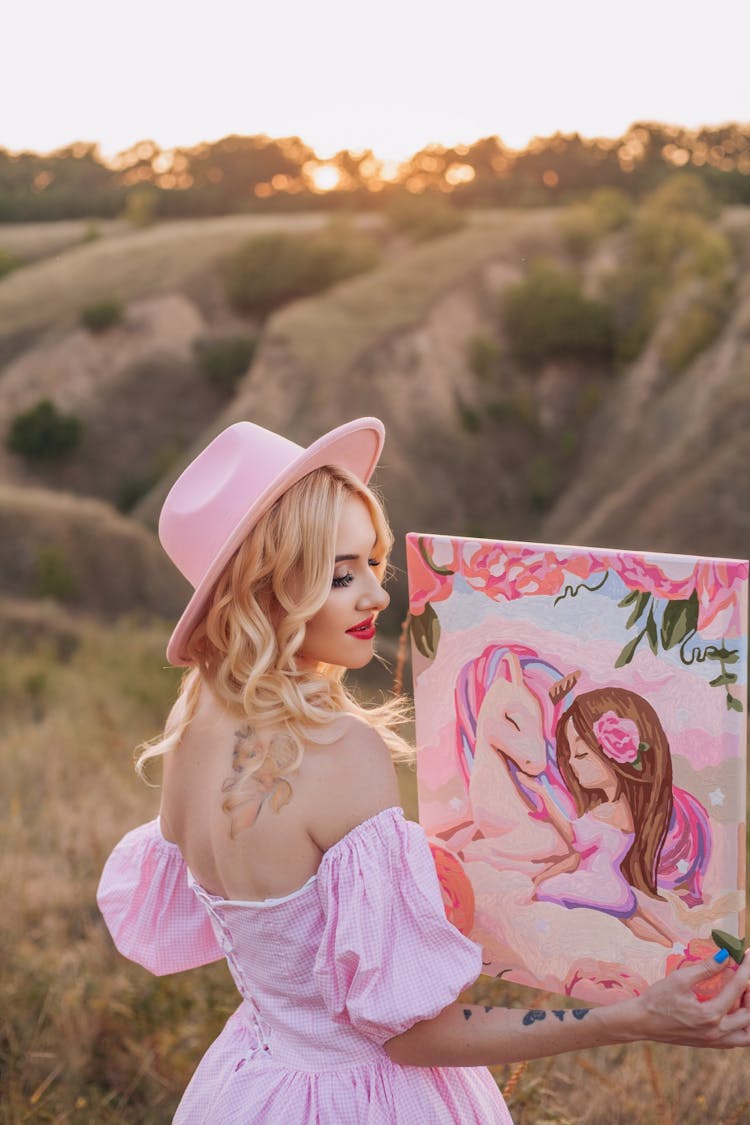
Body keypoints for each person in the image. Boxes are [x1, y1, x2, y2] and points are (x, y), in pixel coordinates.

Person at [97, 417, 750, 1125]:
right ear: (265, 587)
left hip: (254, 1087)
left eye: (375, 564)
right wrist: (629, 1017)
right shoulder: (342, 750)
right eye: (341, 573)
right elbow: (414, 1036)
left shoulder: (192, 730)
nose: (377, 596)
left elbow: (244, 926)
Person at [530, 687, 677, 946]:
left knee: (551, 892)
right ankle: (672, 945)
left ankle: (672, 945)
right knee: (635, 920)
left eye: (582, 754)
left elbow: (574, 839)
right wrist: (547, 873)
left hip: (602, 885)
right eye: (570, 755)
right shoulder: (610, 806)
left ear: (616, 755)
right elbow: (579, 856)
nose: (573, 765)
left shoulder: (613, 809)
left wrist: (542, 797)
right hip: (609, 885)